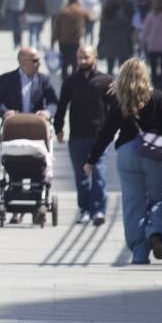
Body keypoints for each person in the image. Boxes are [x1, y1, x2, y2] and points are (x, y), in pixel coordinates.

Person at [84, 60, 162, 265]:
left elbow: (106, 133)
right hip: (156, 155)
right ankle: (156, 232)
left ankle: (140, 252)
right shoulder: (159, 98)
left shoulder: (119, 100)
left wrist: (91, 160)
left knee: (133, 204)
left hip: (127, 153)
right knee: (158, 198)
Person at [54, 45, 112, 226]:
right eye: (79, 57)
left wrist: (112, 131)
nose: (82, 61)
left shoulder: (106, 80)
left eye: (86, 57)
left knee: (99, 175)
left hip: (99, 137)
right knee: (81, 178)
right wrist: (59, 128)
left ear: (95, 57)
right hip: (77, 137)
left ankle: (99, 210)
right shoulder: (71, 81)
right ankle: (85, 209)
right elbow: (62, 106)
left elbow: (114, 109)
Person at [0, 47, 59, 119]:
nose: (39, 63)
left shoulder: (43, 79)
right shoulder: (5, 79)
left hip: (37, 125)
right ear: (23, 62)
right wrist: (5, 112)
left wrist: (48, 112)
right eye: (35, 60)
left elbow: (53, 101)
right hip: (13, 124)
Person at [97, 0, 135, 76]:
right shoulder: (110, 5)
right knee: (111, 64)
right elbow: (104, 22)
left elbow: (131, 22)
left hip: (122, 39)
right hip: (112, 39)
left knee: (122, 65)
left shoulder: (127, 5)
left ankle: (120, 81)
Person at [52, 0, 89, 82]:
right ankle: (74, 80)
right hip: (75, 41)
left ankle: (64, 80)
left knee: (64, 62)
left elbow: (56, 28)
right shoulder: (80, 11)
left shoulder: (63, 11)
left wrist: (52, 41)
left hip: (63, 41)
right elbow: (89, 18)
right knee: (75, 62)